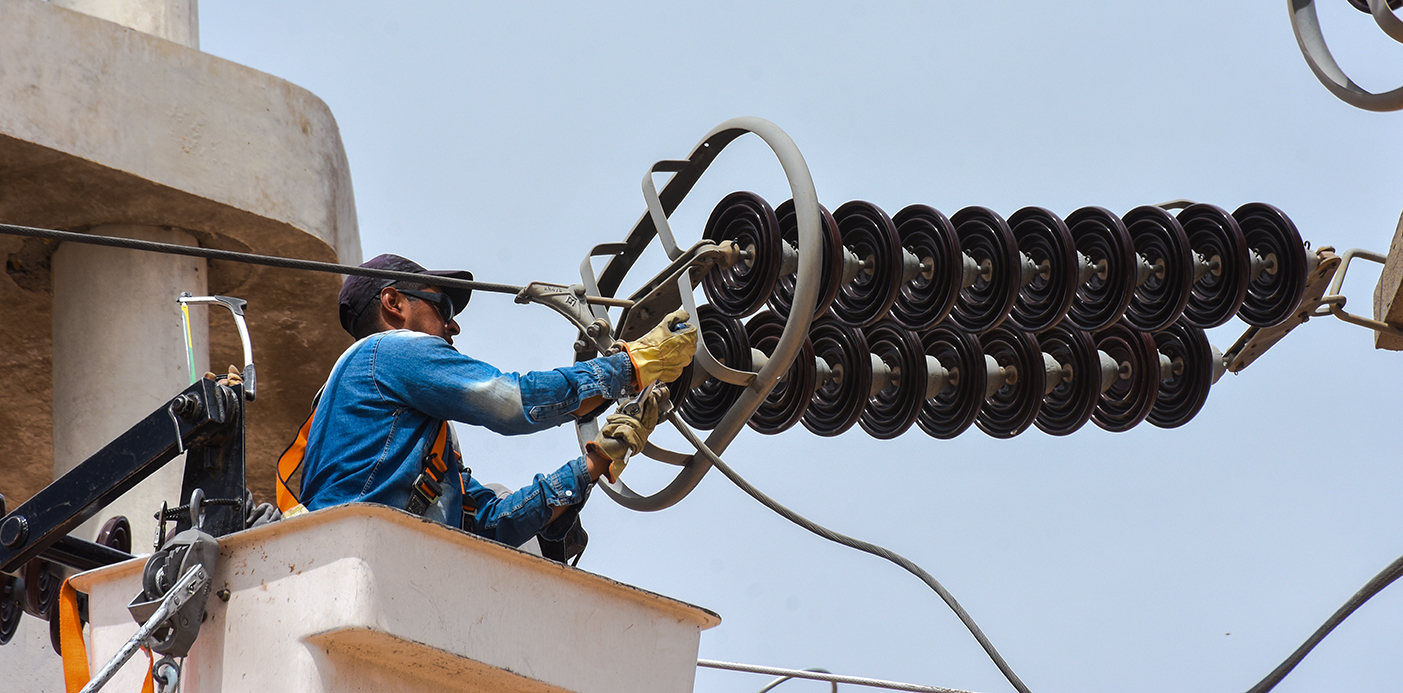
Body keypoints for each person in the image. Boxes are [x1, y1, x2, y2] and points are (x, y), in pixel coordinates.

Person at [276, 253, 697, 551]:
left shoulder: (401, 417)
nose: (453, 324)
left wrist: (597, 462)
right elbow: (510, 400)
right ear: (394, 303)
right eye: (441, 305)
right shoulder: (388, 352)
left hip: (385, 564)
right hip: (361, 555)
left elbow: (487, 524)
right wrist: (628, 367)